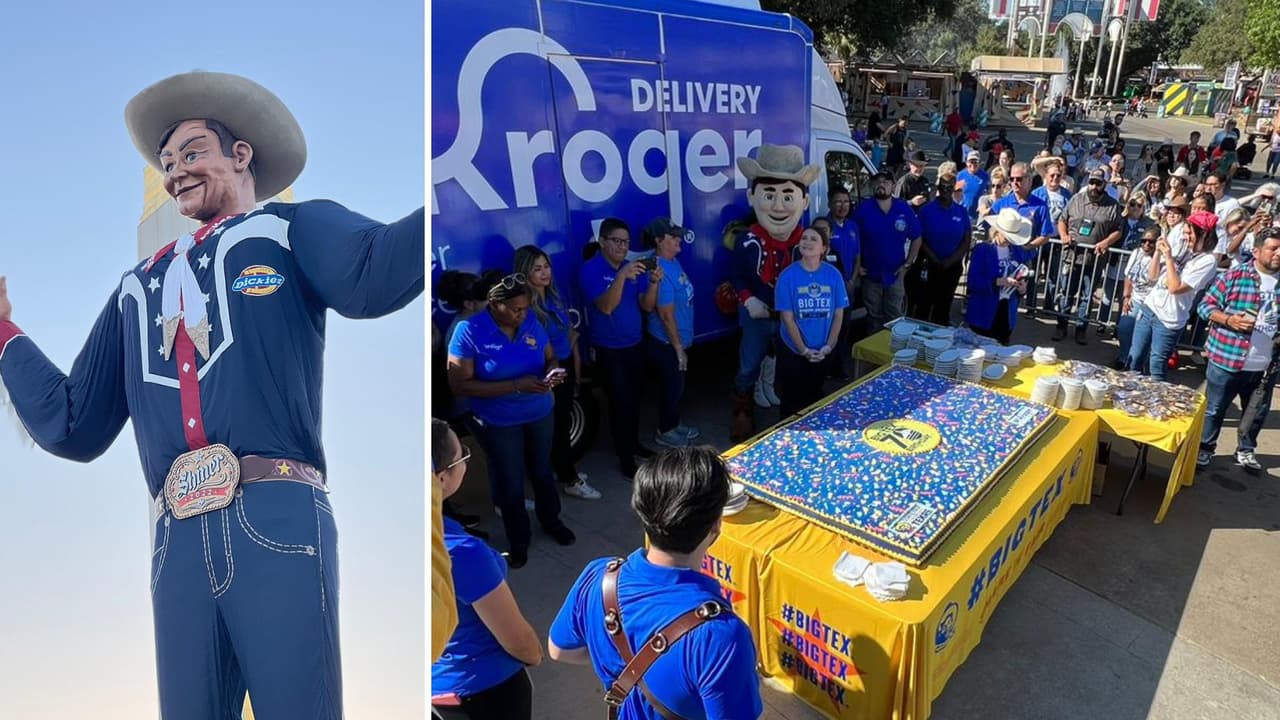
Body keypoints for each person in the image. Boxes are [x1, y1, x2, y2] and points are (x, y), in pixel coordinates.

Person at [1, 69, 427, 718]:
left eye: (191, 153)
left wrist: (451, 199)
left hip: (275, 510)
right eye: (167, 163)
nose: (175, 174)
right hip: (175, 539)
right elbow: (71, 421)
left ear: (241, 155)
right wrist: (5, 333)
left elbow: (372, 272)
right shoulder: (134, 289)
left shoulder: (290, 230)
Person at [548, 447, 764, 720]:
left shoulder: (600, 576)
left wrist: (622, 663)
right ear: (716, 527)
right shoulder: (721, 636)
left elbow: (559, 649)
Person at [448, 275, 576, 568]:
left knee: (542, 471)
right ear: (494, 305)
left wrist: (553, 372)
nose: (522, 314)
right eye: (516, 309)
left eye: (525, 308)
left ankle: (551, 521)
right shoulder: (468, 331)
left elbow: (550, 356)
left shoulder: (531, 321)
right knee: (510, 481)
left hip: (539, 412)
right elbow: (459, 385)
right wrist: (516, 385)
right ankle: (519, 540)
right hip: (499, 421)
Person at [431, 420, 542, 719]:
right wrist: (534, 655)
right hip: (486, 692)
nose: (466, 460)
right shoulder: (462, 553)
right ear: (441, 478)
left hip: (435, 687)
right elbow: (518, 641)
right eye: (462, 456)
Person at [728, 144, 817, 441]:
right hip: (756, 314)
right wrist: (748, 299)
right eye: (769, 196)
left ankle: (782, 405)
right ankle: (743, 409)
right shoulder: (747, 240)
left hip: (789, 317)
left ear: (804, 201)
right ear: (752, 197)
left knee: (787, 361)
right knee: (749, 362)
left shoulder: (806, 241)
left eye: (788, 196)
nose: (779, 206)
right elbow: (738, 275)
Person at [515, 246, 602, 500]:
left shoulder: (552, 296)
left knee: (560, 425)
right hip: (546, 376)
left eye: (547, 266)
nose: (545, 273)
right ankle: (569, 479)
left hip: (563, 369)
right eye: (537, 268)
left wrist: (574, 367)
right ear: (524, 272)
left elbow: (568, 335)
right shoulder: (525, 307)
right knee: (554, 429)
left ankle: (561, 470)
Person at [1195, 228, 1280, 472]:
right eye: (1273, 248)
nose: (1278, 253)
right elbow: (1204, 306)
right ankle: (1205, 448)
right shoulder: (1235, 276)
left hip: (1266, 365)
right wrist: (1228, 320)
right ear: (1256, 251)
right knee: (1214, 409)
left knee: (1256, 412)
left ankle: (1246, 449)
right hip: (1226, 358)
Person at [579, 217, 659, 477]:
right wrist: (621, 277)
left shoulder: (630, 267)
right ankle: (625, 458)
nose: (623, 247)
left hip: (635, 344)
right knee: (619, 404)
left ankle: (634, 444)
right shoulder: (590, 270)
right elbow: (606, 306)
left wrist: (654, 282)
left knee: (635, 401)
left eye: (626, 242)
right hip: (610, 351)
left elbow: (646, 306)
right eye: (616, 241)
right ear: (602, 242)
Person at [1126, 211, 1220, 380]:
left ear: (1203, 233)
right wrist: (1158, 252)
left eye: (1189, 232)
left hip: (1169, 319)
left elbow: (1175, 288)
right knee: (1135, 357)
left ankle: (1154, 402)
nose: (1185, 236)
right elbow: (1153, 276)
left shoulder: (1208, 261)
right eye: (1185, 232)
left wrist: (1169, 258)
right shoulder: (1182, 248)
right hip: (1149, 308)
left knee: (1156, 366)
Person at [774, 227, 848, 418]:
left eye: (813, 239)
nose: (807, 242)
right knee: (791, 400)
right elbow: (787, 318)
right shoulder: (787, 276)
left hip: (822, 350)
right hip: (793, 350)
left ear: (824, 248)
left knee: (815, 396)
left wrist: (829, 346)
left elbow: (838, 315)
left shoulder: (833, 275)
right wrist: (803, 350)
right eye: (804, 238)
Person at [642, 218, 699, 448]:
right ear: (658, 241)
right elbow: (665, 315)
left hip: (678, 340)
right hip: (666, 343)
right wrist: (678, 349)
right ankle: (665, 431)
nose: (679, 240)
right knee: (672, 386)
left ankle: (674, 423)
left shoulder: (672, 261)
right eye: (672, 237)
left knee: (678, 386)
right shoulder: (659, 268)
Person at [1053, 168, 1124, 344]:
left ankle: (1080, 329)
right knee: (1067, 292)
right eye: (1091, 182)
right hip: (1072, 255)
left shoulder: (1113, 205)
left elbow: (1118, 230)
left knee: (1087, 296)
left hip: (1095, 259)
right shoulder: (1076, 199)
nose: (1093, 186)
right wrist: (1063, 235)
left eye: (1098, 183)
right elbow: (1062, 220)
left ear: (1104, 185)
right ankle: (1061, 326)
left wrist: (1106, 242)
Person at [854, 170, 922, 333]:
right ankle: (874, 354)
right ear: (872, 185)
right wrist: (856, 266)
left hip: (896, 274)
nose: (881, 184)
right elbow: (852, 239)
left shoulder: (903, 208)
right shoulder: (863, 209)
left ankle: (895, 355)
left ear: (893, 185)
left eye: (886, 181)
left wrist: (908, 264)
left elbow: (917, 237)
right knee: (873, 317)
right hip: (870, 275)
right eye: (877, 181)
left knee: (895, 317)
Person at [909, 176, 972, 324]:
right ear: (938, 188)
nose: (945, 191)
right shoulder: (926, 210)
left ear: (954, 189)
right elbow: (919, 238)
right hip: (929, 265)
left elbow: (966, 240)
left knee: (944, 306)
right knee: (923, 306)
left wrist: (950, 261)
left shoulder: (961, 211)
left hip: (952, 267)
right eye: (942, 187)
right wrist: (934, 259)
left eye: (949, 187)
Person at [967, 208, 1033, 344]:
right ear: (997, 231)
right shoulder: (982, 250)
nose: (1010, 240)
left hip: (1006, 312)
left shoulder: (1017, 251)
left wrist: (1022, 289)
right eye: (1007, 236)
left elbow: (1022, 275)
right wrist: (998, 281)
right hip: (983, 310)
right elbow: (973, 282)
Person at [825, 188, 862, 379]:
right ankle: (830, 368)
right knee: (831, 329)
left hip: (849, 286)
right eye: (838, 202)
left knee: (844, 329)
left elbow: (857, 257)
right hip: (831, 290)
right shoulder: (825, 227)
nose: (842, 206)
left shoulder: (853, 226)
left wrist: (853, 280)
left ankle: (838, 366)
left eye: (846, 201)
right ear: (830, 204)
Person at [1116, 227, 1161, 368]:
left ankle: (1137, 365)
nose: (1147, 244)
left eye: (1151, 242)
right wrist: (1126, 297)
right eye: (1144, 241)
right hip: (1135, 298)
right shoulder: (1136, 253)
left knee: (1140, 338)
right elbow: (1128, 276)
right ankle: (1124, 358)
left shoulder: (1161, 259)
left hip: (1150, 304)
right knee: (1124, 328)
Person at [958, 151, 990, 219]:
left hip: (978, 216)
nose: (973, 164)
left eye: (975, 162)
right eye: (971, 162)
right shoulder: (960, 176)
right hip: (962, 214)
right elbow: (955, 193)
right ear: (966, 163)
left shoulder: (985, 176)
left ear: (979, 163)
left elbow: (989, 193)